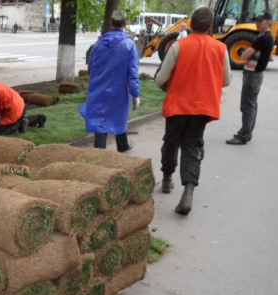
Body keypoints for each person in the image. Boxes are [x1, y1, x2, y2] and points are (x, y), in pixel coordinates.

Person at [154, 7, 231, 215]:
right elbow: (227, 80)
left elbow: (160, 79)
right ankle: (188, 191)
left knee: (171, 142)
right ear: (211, 27)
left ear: (190, 24)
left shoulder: (179, 46)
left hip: (178, 106)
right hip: (203, 108)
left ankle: (168, 179)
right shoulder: (220, 48)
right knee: (192, 146)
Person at [78, 10, 140, 154]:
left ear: (111, 23)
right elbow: (133, 73)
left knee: (100, 120)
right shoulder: (129, 45)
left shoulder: (99, 44)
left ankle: (101, 153)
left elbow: (91, 67)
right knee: (120, 116)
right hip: (119, 90)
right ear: (125, 24)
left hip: (99, 87)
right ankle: (122, 145)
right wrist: (135, 94)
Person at [226, 10, 274, 145]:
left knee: (247, 106)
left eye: (261, 21)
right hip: (254, 74)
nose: (258, 23)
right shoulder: (263, 36)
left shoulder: (264, 38)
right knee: (252, 105)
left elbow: (244, 55)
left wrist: (246, 53)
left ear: (269, 21)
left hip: (253, 74)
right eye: (257, 20)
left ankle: (243, 135)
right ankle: (247, 132)